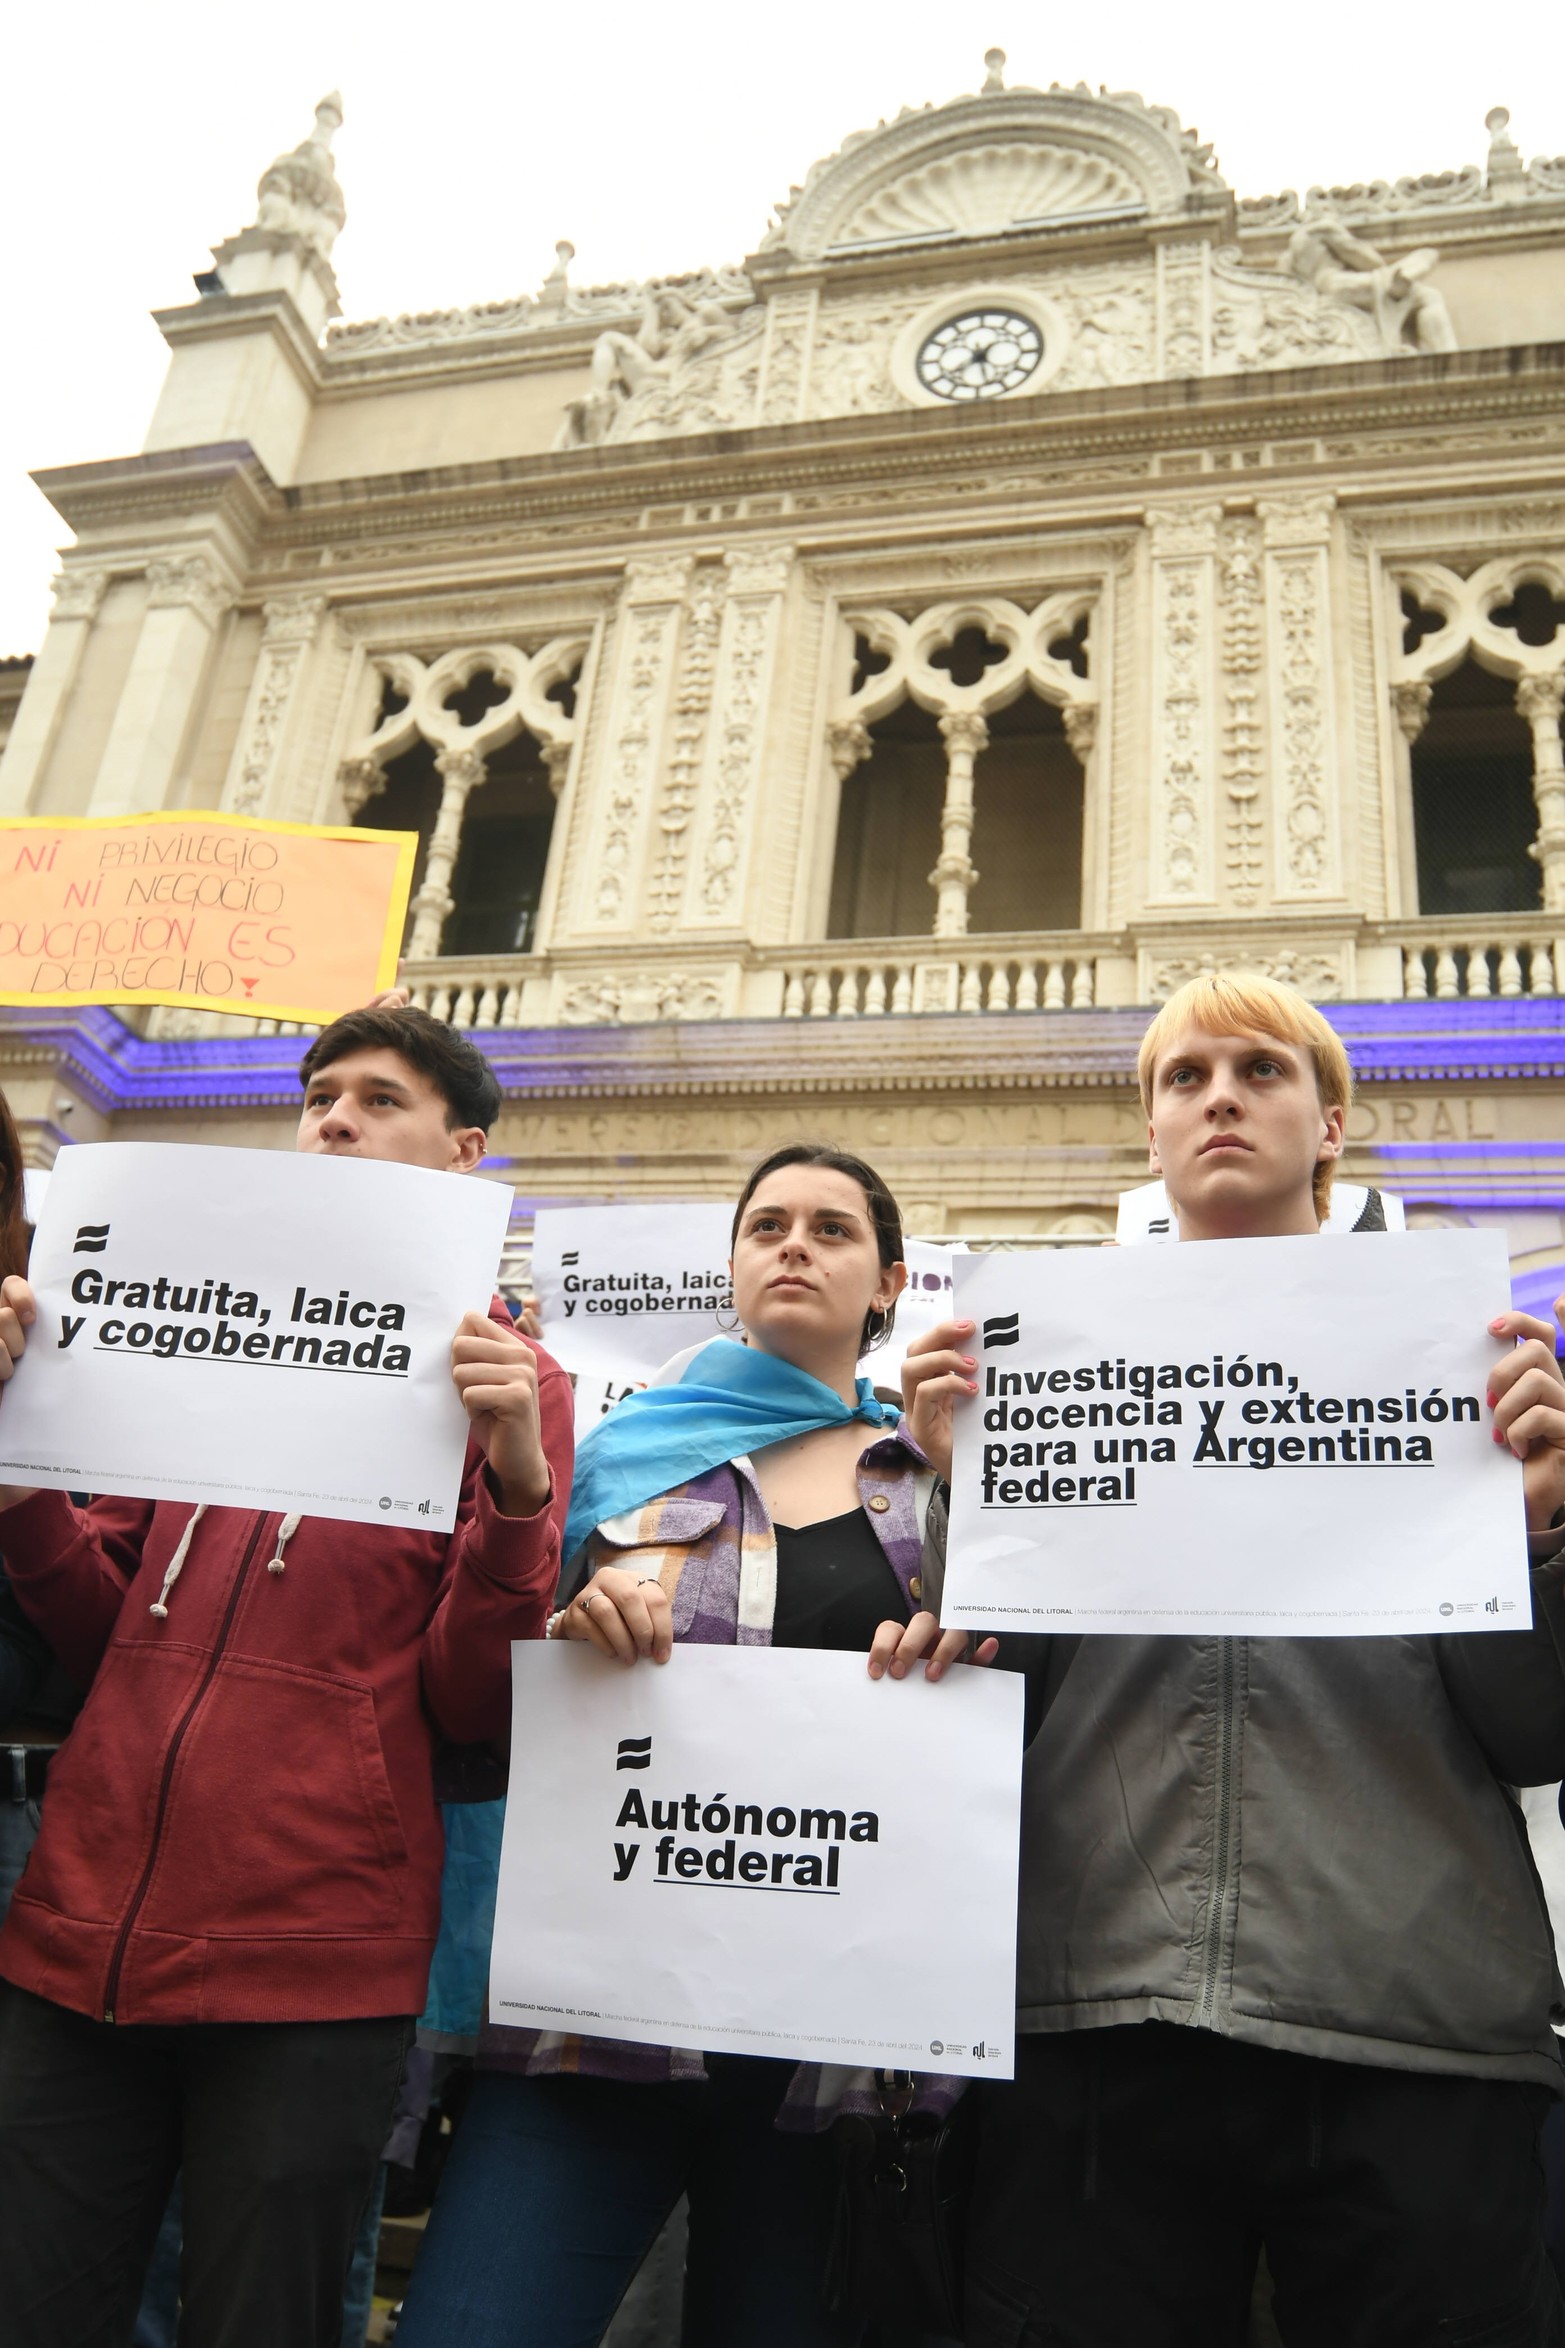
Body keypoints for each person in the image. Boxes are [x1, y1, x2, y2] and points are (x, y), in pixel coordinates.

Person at [892, 972, 1565, 2348]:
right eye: (1185, 1077)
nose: (1219, 1098)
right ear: (1148, 1134)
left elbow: (1537, 1731)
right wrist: (971, 1493)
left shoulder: (1467, 1369)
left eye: (1260, 1071)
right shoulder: (1051, 1371)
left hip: (1409, 2024)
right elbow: (996, 1725)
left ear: (1332, 1124)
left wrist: (1542, 1528)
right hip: (1100, 2016)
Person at [0, 1004, 574, 2348]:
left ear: (462, 1153)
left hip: (312, 1970)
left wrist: (516, 1492)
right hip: (76, 1937)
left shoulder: (511, 1382)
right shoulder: (185, 1330)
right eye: (320, 1095)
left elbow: (472, 1707)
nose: (332, 1117)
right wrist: (18, 1465)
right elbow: (97, 1629)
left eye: (380, 1099)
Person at [394, 1141, 981, 2348]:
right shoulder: (617, 1451)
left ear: (889, 1281)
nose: (793, 1244)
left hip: (831, 2047)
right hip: (599, 2020)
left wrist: (962, 1620)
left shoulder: (937, 1478)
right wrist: (569, 1625)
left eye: (829, 1227)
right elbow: (487, 1689)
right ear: (732, 1264)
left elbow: (1023, 1686)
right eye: (766, 1224)